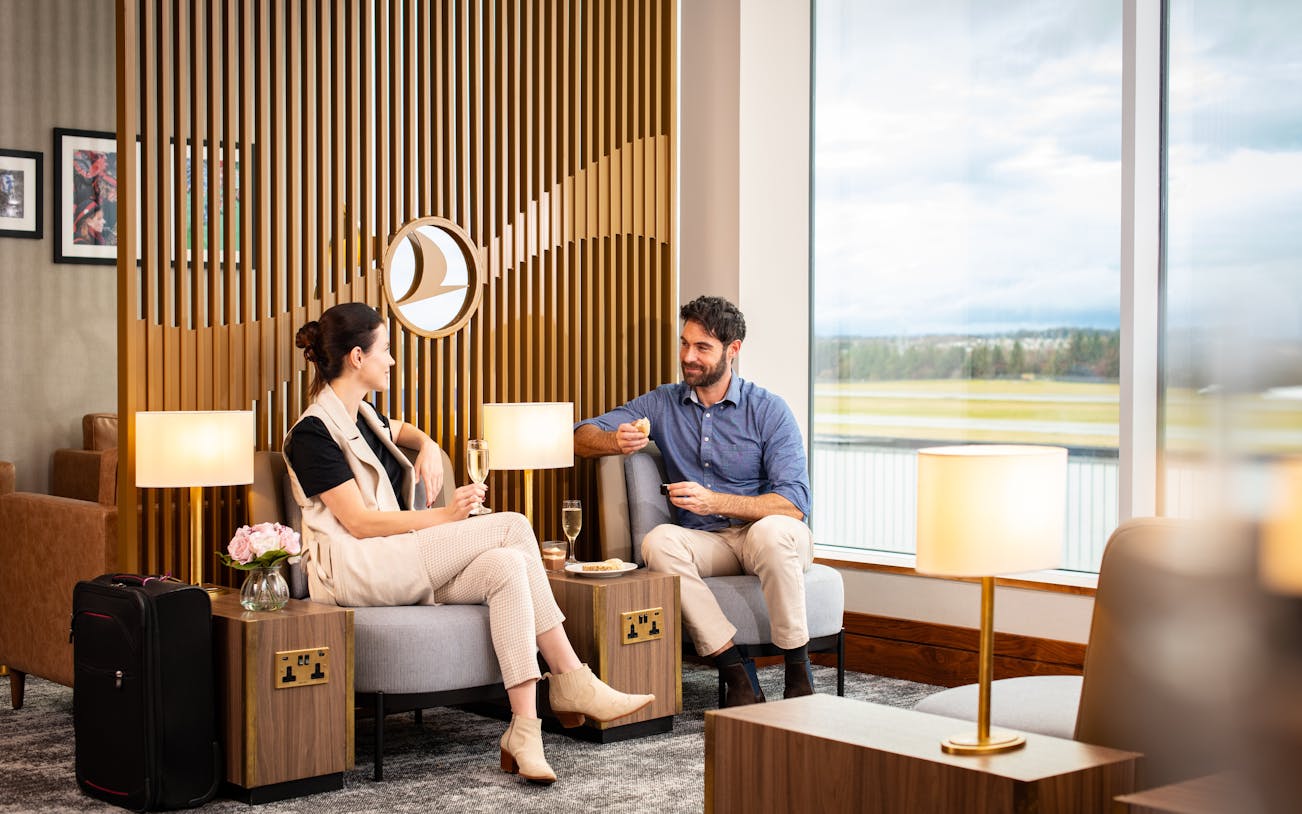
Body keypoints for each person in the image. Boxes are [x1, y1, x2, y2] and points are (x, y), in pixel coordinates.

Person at [283, 302, 652, 785]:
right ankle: (571, 678)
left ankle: (525, 729)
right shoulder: (311, 434)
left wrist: (431, 446)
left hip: (397, 560)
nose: (392, 361)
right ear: (357, 357)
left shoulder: (364, 415)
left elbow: (404, 432)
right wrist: (445, 516)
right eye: (386, 351)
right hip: (355, 570)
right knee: (512, 526)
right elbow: (358, 524)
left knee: (507, 566)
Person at [574, 295, 815, 707]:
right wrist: (614, 439)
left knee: (773, 533)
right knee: (658, 542)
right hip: (710, 543)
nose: (689, 356)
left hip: (768, 535)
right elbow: (580, 436)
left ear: (732, 351)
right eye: (685, 344)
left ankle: (798, 669)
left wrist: (714, 501)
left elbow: (793, 504)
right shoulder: (663, 403)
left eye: (702, 347)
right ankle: (734, 670)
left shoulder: (769, 410)